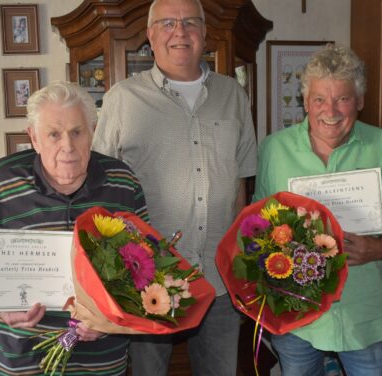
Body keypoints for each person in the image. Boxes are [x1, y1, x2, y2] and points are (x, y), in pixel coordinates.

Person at [92, 0, 257, 374]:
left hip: (218, 279)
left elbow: (240, 186)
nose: (179, 31)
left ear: (204, 32)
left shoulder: (234, 95)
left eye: (190, 22)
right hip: (146, 279)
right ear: (150, 35)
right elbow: (101, 189)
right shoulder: (122, 99)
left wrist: (240, 264)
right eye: (167, 22)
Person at [254, 44, 382, 376]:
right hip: (296, 313)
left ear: (359, 101)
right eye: (319, 99)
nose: (329, 110)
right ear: (305, 102)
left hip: (363, 314)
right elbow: (258, 224)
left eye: (342, 99)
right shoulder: (274, 149)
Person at [0, 81, 148, 375]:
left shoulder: (123, 184)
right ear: (34, 138)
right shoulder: (0, 182)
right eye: (54, 134)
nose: (68, 146)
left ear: (92, 132)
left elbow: (145, 270)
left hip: (98, 363)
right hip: (13, 362)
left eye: (77, 132)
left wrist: (109, 321)